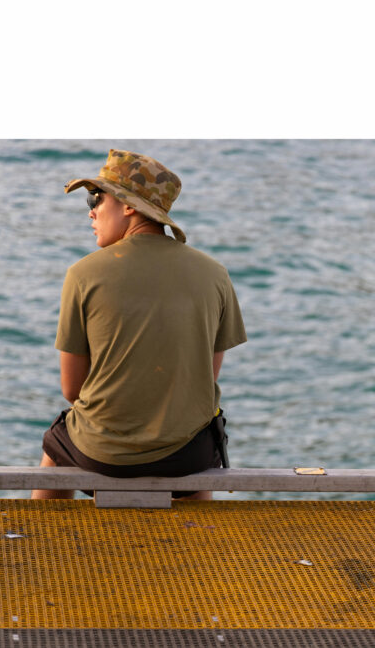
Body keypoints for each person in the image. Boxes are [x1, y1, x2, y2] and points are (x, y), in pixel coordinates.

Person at [32, 149, 246, 501]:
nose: (91, 210)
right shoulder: (215, 274)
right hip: (185, 458)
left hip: (101, 455)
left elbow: (72, 389)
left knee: (55, 444)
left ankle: (39, 538)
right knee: (196, 432)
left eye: (96, 198)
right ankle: (206, 544)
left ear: (129, 206)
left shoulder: (83, 274)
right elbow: (204, 380)